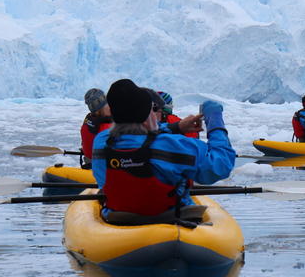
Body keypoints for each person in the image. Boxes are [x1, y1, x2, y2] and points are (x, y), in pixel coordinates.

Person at [91, 79, 236, 222]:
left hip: (119, 218)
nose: (155, 114)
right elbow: (220, 165)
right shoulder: (171, 145)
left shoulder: (101, 142)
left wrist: (177, 127)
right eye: (152, 110)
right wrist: (215, 122)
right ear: (145, 117)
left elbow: (133, 132)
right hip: (171, 218)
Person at [81, 88, 114, 169]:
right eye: (107, 105)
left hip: (89, 161)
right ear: (101, 108)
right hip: (103, 166)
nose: (110, 107)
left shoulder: (88, 120)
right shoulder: (106, 128)